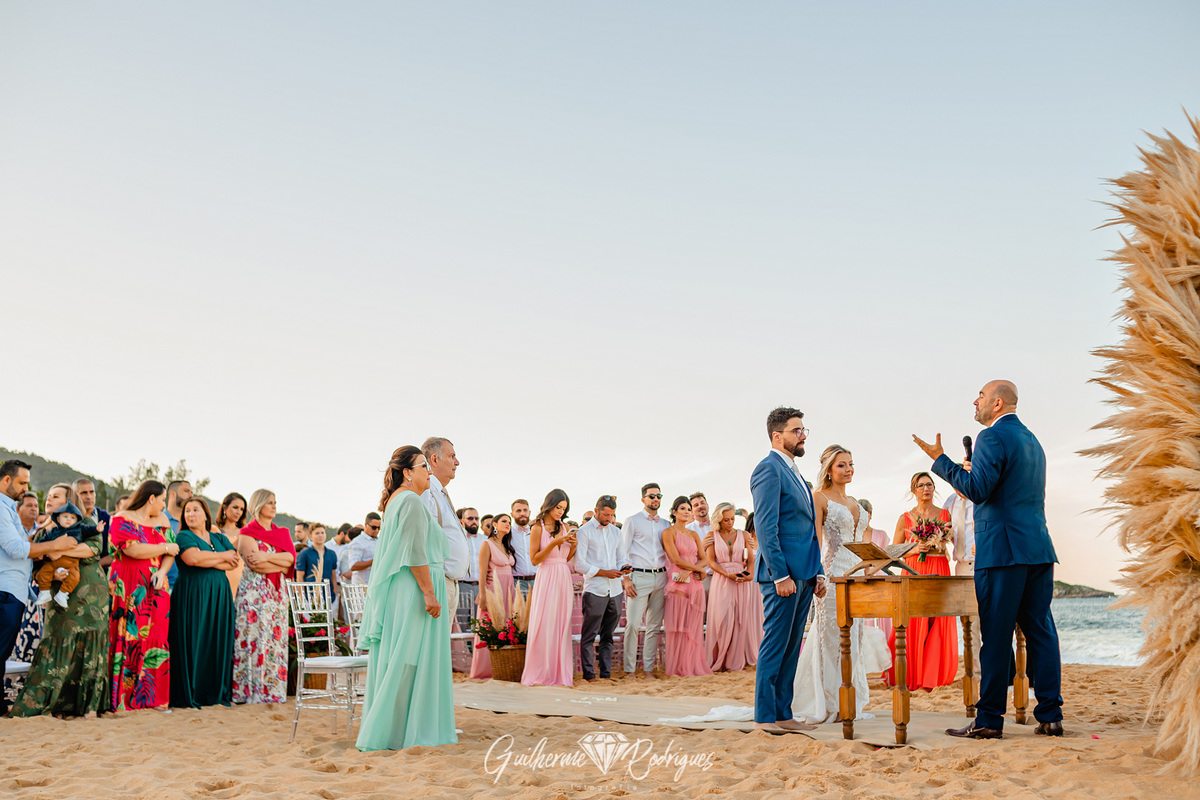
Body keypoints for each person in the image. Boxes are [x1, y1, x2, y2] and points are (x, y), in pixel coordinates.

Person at [916, 379, 1064, 739]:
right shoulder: (1033, 441)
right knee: (1041, 630)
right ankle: (1050, 714)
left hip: (1002, 551)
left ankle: (988, 720)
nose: (975, 400)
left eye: (980, 395)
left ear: (997, 403)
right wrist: (972, 474)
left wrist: (941, 461)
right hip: (1038, 548)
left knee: (996, 635)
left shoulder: (991, 437)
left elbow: (978, 491)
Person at [356, 446, 456, 750]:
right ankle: (398, 730)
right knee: (411, 659)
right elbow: (414, 553)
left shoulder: (396, 501)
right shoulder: (411, 501)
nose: (428, 471)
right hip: (416, 587)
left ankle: (397, 730)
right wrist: (429, 593)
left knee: (403, 657)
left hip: (405, 587)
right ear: (408, 473)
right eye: (423, 466)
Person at [792, 446, 890, 723]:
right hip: (834, 576)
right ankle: (829, 702)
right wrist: (817, 575)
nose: (848, 470)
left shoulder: (856, 502)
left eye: (850, 464)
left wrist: (875, 564)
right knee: (832, 639)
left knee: (855, 639)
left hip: (860, 578)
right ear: (829, 469)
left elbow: (861, 545)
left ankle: (850, 700)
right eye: (841, 466)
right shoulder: (819, 498)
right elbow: (816, 540)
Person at [750, 407, 825, 732]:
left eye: (803, 429)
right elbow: (766, 528)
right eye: (797, 430)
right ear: (777, 436)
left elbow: (808, 528)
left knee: (793, 647)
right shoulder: (768, 469)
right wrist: (780, 575)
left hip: (805, 573)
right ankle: (766, 717)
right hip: (781, 576)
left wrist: (818, 571)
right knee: (776, 644)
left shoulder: (795, 472)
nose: (803, 435)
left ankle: (784, 713)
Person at [0, 462, 77, 713]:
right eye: (22, 482)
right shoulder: (1, 509)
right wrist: (56, 546)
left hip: (16, 591)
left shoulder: (9, 509)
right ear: (6, 480)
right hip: (5, 591)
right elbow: (17, 550)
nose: (26, 488)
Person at [882, 472, 958, 691]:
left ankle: (933, 674)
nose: (926, 488)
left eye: (930, 484)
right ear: (913, 490)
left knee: (937, 619)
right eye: (921, 485)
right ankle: (910, 672)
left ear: (934, 488)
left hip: (939, 569)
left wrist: (939, 542)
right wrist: (914, 548)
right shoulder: (904, 517)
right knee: (915, 621)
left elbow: (953, 540)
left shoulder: (945, 514)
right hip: (914, 570)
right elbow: (892, 551)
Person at [108, 480, 177, 712]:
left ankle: (152, 698)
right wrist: (165, 548)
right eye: (162, 499)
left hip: (157, 585)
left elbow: (173, 551)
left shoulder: (163, 520)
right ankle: (124, 697)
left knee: (156, 637)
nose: (164, 504)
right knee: (129, 637)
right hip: (127, 586)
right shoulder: (121, 517)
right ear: (151, 498)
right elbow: (132, 549)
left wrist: (162, 570)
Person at [169, 497, 238, 708]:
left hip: (219, 595)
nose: (190, 514)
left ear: (206, 515)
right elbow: (192, 560)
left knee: (215, 640)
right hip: (193, 594)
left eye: (195, 510)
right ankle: (192, 693)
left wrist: (212, 557)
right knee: (193, 641)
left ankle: (213, 693)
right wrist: (221, 557)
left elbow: (233, 561)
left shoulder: (218, 537)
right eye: (187, 511)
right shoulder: (183, 536)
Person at [232, 489, 295, 704]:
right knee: (254, 639)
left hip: (276, 595)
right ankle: (250, 692)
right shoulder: (246, 533)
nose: (274, 506)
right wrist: (279, 560)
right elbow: (254, 564)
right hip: (254, 595)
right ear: (258, 505)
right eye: (269, 502)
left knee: (275, 641)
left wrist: (267, 556)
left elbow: (290, 562)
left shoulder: (282, 533)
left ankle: (273, 691)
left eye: (275, 502)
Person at [520, 489, 576, 687]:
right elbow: (535, 559)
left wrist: (573, 545)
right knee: (545, 622)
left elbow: (565, 558)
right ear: (550, 505)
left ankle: (560, 673)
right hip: (546, 576)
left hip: (563, 576)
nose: (561, 511)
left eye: (564, 508)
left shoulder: (566, 526)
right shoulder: (537, 527)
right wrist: (554, 543)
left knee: (562, 623)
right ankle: (541, 671)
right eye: (558, 507)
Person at [573, 496, 629, 682]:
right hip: (595, 591)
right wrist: (604, 573)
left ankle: (606, 675)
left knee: (608, 636)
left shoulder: (615, 532)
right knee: (588, 636)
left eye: (612, 515)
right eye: (605, 514)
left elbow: (621, 557)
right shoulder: (584, 532)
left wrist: (625, 567)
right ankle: (589, 675)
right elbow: (579, 564)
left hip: (615, 591)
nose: (609, 518)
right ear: (596, 511)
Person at [703, 501, 762, 672]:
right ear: (719, 520)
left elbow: (751, 560)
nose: (729, 523)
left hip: (742, 580)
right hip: (722, 579)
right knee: (722, 619)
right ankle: (719, 659)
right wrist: (727, 574)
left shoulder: (743, 535)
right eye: (725, 520)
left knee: (740, 619)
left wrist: (749, 575)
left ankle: (734, 662)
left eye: (731, 519)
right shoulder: (711, 535)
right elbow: (711, 561)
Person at [620, 483, 669, 679]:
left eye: (658, 496)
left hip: (661, 576)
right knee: (632, 624)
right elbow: (623, 551)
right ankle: (630, 669)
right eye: (651, 496)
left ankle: (648, 669)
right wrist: (626, 578)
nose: (655, 499)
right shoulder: (632, 521)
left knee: (654, 625)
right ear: (643, 499)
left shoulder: (665, 524)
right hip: (639, 577)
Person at [421, 438, 469, 631]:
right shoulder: (427, 492)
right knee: (433, 645)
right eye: (452, 456)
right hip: (438, 581)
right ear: (434, 459)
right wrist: (429, 590)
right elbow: (422, 540)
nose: (457, 462)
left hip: (450, 583)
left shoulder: (440, 492)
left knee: (442, 645)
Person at [662, 496, 711, 677]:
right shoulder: (668, 533)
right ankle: (678, 668)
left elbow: (704, 558)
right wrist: (698, 570)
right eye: (683, 508)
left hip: (694, 582)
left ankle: (692, 666)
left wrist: (695, 571)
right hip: (677, 582)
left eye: (689, 509)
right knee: (678, 628)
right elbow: (675, 559)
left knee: (694, 628)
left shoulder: (694, 535)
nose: (687, 511)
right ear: (674, 512)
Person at [468, 512, 518, 680]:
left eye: (509, 522)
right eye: (504, 521)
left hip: (508, 590)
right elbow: (482, 573)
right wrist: (482, 595)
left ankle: (504, 665)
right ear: (494, 525)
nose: (508, 524)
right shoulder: (486, 544)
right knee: (489, 626)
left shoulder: (507, 545)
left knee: (507, 626)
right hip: (493, 590)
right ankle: (484, 669)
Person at [944, 478, 981, 670]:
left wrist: (984, 544)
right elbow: (943, 529)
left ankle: (998, 671)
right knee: (969, 623)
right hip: (961, 567)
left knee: (988, 621)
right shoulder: (950, 502)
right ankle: (975, 671)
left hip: (983, 563)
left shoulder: (981, 496)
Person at [32, 502, 94, 608]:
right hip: (51, 564)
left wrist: (58, 551)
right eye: (49, 496)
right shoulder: (48, 531)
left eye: (55, 497)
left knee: (74, 577)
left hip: (72, 566)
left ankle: (62, 594)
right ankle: (44, 593)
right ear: (58, 517)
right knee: (44, 573)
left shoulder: (82, 526)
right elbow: (34, 554)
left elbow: (93, 549)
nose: (49, 500)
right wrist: (42, 552)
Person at [859, 498, 893, 640]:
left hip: (879, 578)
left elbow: (887, 561)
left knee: (883, 616)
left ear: (870, 514)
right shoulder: (853, 536)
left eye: (865, 514)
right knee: (864, 617)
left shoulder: (881, 535)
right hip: (859, 578)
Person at [295, 524, 340, 614]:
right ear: (311, 536)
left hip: (329, 595)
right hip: (310, 595)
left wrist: (334, 592)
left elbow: (333, 574)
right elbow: (299, 576)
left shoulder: (331, 554)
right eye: (317, 533)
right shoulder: (304, 553)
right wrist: (301, 596)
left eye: (322, 533)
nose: (320, 535)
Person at [71, 478, 112, 569]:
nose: (89, 496)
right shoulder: (68, 518)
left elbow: (114, 554)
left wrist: (94, 567)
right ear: (74, 495)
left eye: (91, 492)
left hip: (99, 577)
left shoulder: (106, 519)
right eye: (84, 493)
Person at [215, 492, 247, 597]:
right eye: (235, 507)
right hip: (220, 580)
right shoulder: (214, 531)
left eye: (242, 509)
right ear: (225, 507)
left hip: (242, 582)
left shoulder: (245, 533)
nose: (239, 512)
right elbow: (223, 553)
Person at [163, 480, 191, 588]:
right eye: (186, 491)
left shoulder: (192, 523)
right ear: (172, 494)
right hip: (162, 586)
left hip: (187, 587)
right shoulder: (158, 520)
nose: (191, 495)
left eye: (191, 492)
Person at [685, 491, 714, 592]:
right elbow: (685, 558)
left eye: (702, 503)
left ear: (707, 505)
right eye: (696, 505)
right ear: (691, 511)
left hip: (721, 577)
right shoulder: (687, 530)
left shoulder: (719, 525)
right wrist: (701, 547)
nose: (700, 506)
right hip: (701, 579)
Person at [457, 507, 483, 616]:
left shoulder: (485, 540)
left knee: (480, 624)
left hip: (480, 587)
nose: (474, 521)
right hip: (462, 585)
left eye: (476, 519)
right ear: (462, 521)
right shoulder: (457, 539)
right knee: (461, 622)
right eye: (470, 518)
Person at [343, 513, 380, 585]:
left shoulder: (379, 541)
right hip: (361, 587)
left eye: (379, 528)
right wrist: (375, 561)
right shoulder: (357, 542)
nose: (377, 530)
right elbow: (353, 565)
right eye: (374, 527)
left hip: (376, 585)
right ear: (366, 525)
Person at [510, 499, 537, 595]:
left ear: (529, 512)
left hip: (537, 580)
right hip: (517, 582)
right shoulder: (507, 534)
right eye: (518, 511)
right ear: (512, 514)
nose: (522, 513)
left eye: (525, 510)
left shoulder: (537, 531)